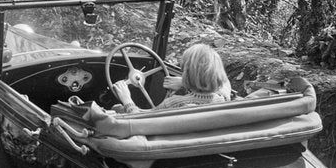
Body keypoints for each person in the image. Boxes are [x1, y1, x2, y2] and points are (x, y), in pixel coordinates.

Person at [90, 43, 232, 120]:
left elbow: (141, 121)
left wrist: (126, 99)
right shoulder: (221, 100)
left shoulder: (174, 103)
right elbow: (225, 83)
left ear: (187, 74)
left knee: (116, 108)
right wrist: (185, 83)